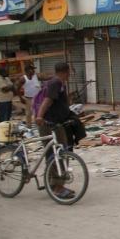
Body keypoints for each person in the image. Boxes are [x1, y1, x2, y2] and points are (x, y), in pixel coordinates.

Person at [35, 62, 86, 200]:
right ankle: (57, 187)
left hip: (57, 123)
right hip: (49, 124)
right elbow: (48, 100)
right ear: (66, 71)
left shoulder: (58, 82)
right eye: (69, 72)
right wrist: (39, 116)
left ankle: (54, 184)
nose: (70, 74)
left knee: (60, 152)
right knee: (56, 155)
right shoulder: (56, 82)